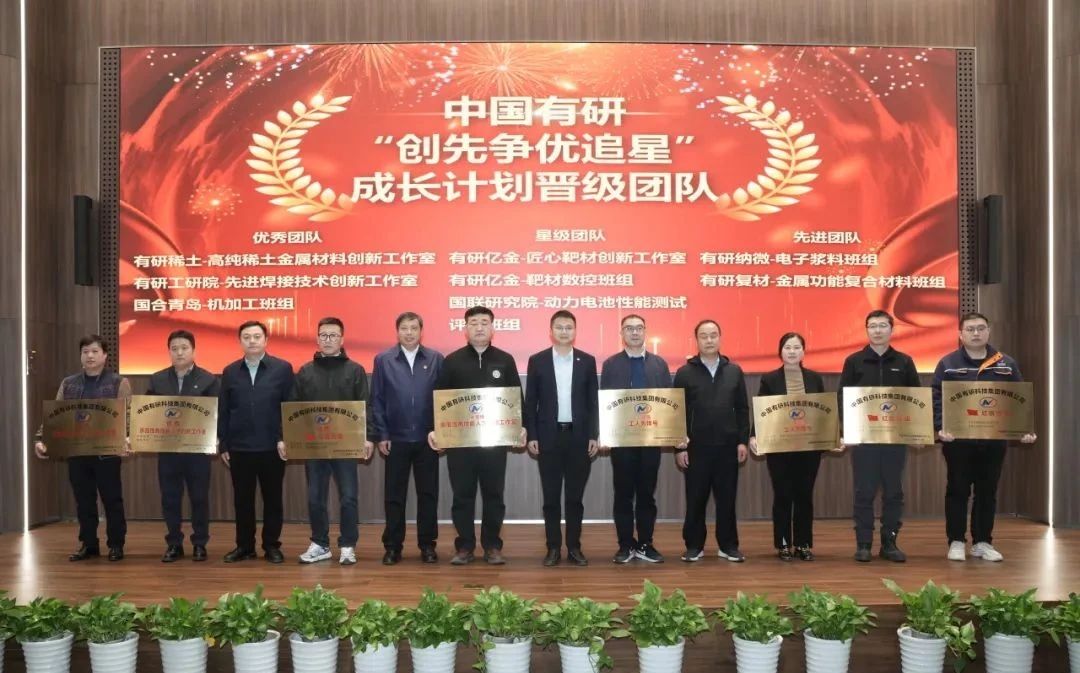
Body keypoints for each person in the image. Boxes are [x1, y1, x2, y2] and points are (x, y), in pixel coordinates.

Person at [932, 312, 1036, 563]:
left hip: (993, 441)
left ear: (988, 331)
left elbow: (1019, 399)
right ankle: (956, 541)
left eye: (980, 328)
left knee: (987, 491)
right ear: (960, 334)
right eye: (970, 329)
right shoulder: (948, 363)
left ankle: (982, 542)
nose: (976, 333)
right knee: (957, 490)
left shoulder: (1006, 363)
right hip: (958, 441)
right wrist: (940, 427)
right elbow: (936, 397)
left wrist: (1024, 429)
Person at [428, 306, 525, 565]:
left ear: (493, 328)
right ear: (465, 329)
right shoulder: (452, 361)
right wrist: (436, 430)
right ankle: (465, 546)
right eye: (473, 323)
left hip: (494, 442)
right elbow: (439, 399)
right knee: (463, 495)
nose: (479, 327)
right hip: (461, 443)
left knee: (494, 495)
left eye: (484, 322)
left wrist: (521, 426)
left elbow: (516, 397)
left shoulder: (505, 360)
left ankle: (492, 546)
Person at [34, 335, 132, 561]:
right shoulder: (68, 383)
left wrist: (127, 438)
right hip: (77, 451)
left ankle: (116, 545)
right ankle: (89, 544)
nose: (90, 356)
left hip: (107, 452)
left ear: (105, 355)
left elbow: (128, 416)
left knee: (112, 500)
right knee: (84, 501)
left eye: (95, 351)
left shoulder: (118, 383)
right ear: (80, 356)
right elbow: (55, 416)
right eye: (85, 351)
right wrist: (41, 438)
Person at [838, 309, 922, 563]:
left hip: (895, 439)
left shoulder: (904, 362)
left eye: (882, 325)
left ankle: (889, 542)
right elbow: (843, 398)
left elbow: (916, 399)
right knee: (864, 492)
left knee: (894, 493)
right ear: (867, 330)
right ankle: (863, 544)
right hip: (864, 439)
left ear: (891, 329)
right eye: (872, 326)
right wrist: (846, 431)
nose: (877, 330)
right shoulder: (854, 361)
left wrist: (918, 432)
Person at [290, 317, 372, 566]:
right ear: (317, 339)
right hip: (314, 445)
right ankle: (320, 544)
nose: (328, 340)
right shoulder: (305, 371)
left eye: (333, 335)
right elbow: (294, 408)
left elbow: (365, 406)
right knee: (315, 497)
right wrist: (286, 438)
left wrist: (368, 438)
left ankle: (347, 545)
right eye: (324, 335)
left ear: (342, 339)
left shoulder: (355, 370)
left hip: (345, 445)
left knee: (349, 497)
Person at [524, 310, 599, 567]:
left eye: (568, 327)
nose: (564, 331)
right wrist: (532, 435)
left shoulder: (587, 361)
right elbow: (530, 402)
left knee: (575, 498)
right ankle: (553, 547)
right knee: (551, 497)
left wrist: (593, 435)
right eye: (559, 327)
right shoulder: (538, 360)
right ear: (551, 331)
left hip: (579, 438)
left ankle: (574, 547)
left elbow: (593, 402)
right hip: (549, 437)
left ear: (575, 331)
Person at [217, 320, 294, 564]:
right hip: (240, 448)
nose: (252, 341)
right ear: (240, 341)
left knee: (273, 499)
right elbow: (224, 409)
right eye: (247, 337)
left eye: (257, 336)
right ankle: (244, 546)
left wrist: (284, 438)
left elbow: (289, 407)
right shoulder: (230, 371)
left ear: (266, 340)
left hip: (272, 446)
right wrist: (224, 444)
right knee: (242, 500)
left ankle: (271, 545)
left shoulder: (282, 369)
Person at [672, 320, 749, 563]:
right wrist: (679, 447)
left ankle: (728, 545)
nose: (709, 340)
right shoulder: (685, 373)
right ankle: (694, 546)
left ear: (720, 338)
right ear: (696, 340)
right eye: (704, 336)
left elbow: (742, 409)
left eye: (713, 335)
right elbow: (677, 412)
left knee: (727, 499)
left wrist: (742, 441)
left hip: (728, 447)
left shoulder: (734, 371)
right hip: (696, 447)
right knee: (696, 499)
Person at [371, 311, 444, 565]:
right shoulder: (383, 360)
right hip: (396, 438)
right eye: (404, 328)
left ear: (421, 331)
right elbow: (377, 399)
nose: (409, 333)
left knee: (428, 494)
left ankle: (427, 545)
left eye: (414, 328)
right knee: (394, 496)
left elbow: (443, 399)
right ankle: (393, 546)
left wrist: (440, 431)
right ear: (397, 331)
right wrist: (382, 434)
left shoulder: (435, 359)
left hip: (427, 439)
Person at [599, 314, 672, 564]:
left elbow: (668, 402)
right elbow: (605, 401)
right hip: (622, 441)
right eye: (629, 328)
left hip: (651, 440)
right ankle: (625, 545)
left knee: (646, 495)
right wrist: (604, 433)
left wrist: (674, 432)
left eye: (639, 328)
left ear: (645, 332)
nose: (634, 332)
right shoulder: (611, 365)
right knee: (623, 494)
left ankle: (645, 543)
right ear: (621, 334)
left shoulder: (659, 364)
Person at [749, 332, 826, 562]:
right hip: (780, 447)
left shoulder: (815, 378)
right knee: (782, 495)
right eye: (787, 347)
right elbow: (762, 411)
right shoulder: (770, 379)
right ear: (780, 352)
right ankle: (783, 543)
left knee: (804, 495)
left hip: (808, 447)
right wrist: (754, 436)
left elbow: (824, 412)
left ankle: (803, 544)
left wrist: (832, 437)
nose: (792, 351)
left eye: (796, 347)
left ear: (803, 352)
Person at [146, 329, 220, 563]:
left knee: (199, 498)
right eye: (174, 348)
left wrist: (217, 437)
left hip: (197, 451)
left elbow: (217, 414)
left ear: (193, 350)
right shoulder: (157, 379)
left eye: (184, 348)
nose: (179, 352)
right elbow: (147, 414)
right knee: (170, 498)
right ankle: (174, 544)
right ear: (169, 351)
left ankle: (200, 543)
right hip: (168, 451)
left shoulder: (208, 379)